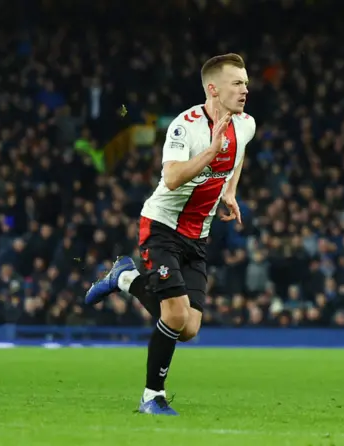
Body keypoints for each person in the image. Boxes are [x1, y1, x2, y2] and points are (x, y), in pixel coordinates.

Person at [84, 53, 255, 415]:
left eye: (245, 83)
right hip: (161, 226)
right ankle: (151, 397)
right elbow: (173, 178)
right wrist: (211, 152)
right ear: (214, 88)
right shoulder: (185, 126)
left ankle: (126, 278)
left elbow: (238, 154)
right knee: (175, 316)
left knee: (189, 327)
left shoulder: (246, 124)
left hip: (198, 236)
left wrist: (230, 191)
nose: (245, 90)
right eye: (237, 83)